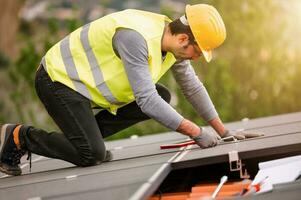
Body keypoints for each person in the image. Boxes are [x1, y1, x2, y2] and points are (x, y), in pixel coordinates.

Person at [0, 4, 262, 176]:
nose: (196, 58)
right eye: (198, 52)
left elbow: (192, 87)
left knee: (163, 96)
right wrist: (196, 132)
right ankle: (20, 136)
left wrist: (224, 132)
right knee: (90, 154)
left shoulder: (172, 45)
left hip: (84, 88)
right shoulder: (135, 38)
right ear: (184, 39)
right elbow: (145, 101)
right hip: (58, 80)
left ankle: (88, 139)